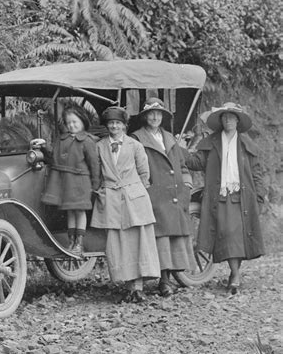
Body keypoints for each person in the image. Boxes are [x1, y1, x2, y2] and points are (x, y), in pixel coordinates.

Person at [184, 102, 265, 294]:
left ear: (237, 120)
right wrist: (180, 150)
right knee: (226, 234)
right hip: (219, 196)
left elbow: (256, 172)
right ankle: (234, 274)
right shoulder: (212, 142)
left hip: (241, 197)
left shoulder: (246, 145)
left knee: (236, 236)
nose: (228, 120)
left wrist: (259, 196)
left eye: (232, 117)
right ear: (221, 120)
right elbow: (196, 162)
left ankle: (234, 275)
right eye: (225, 117)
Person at [91, 106, 160, 303]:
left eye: (118, 123)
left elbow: (144, 172)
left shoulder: (134, 146)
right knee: (118, 243)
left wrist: (135, 191)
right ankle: (128, 286)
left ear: (124, 126)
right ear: (107, 126)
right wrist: (102, 191)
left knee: (138, 240)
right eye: (111, 123)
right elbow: (96, 172)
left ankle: (138, 287)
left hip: (134, 198)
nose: (114, 126)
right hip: (111, 199)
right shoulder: (100, 146)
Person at [131, 97, 196, 297]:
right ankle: (162, 282)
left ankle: (166, 279)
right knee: (159, 237)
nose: (155, 117)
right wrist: (145, 188)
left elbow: (182, 164)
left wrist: (186, 184)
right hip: (154, 193)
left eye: (159, 114)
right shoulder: (137, 138)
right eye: (151, 113)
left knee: (171, 238)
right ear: (144, 117)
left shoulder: (169, 138)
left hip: (175, 192)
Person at [41, 103, 100, 255]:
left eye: (75, 122)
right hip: (66, 183)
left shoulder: (87, 140)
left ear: (83, 122)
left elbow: (94, 164)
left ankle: (79, 243)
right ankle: (71, 242)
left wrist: (95, 184)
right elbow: (54, 159)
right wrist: (42, 147)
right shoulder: (61, 140)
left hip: (81, 183)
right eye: (69, 123)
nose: (72, 125)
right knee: (70, 212)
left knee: (79, 211)